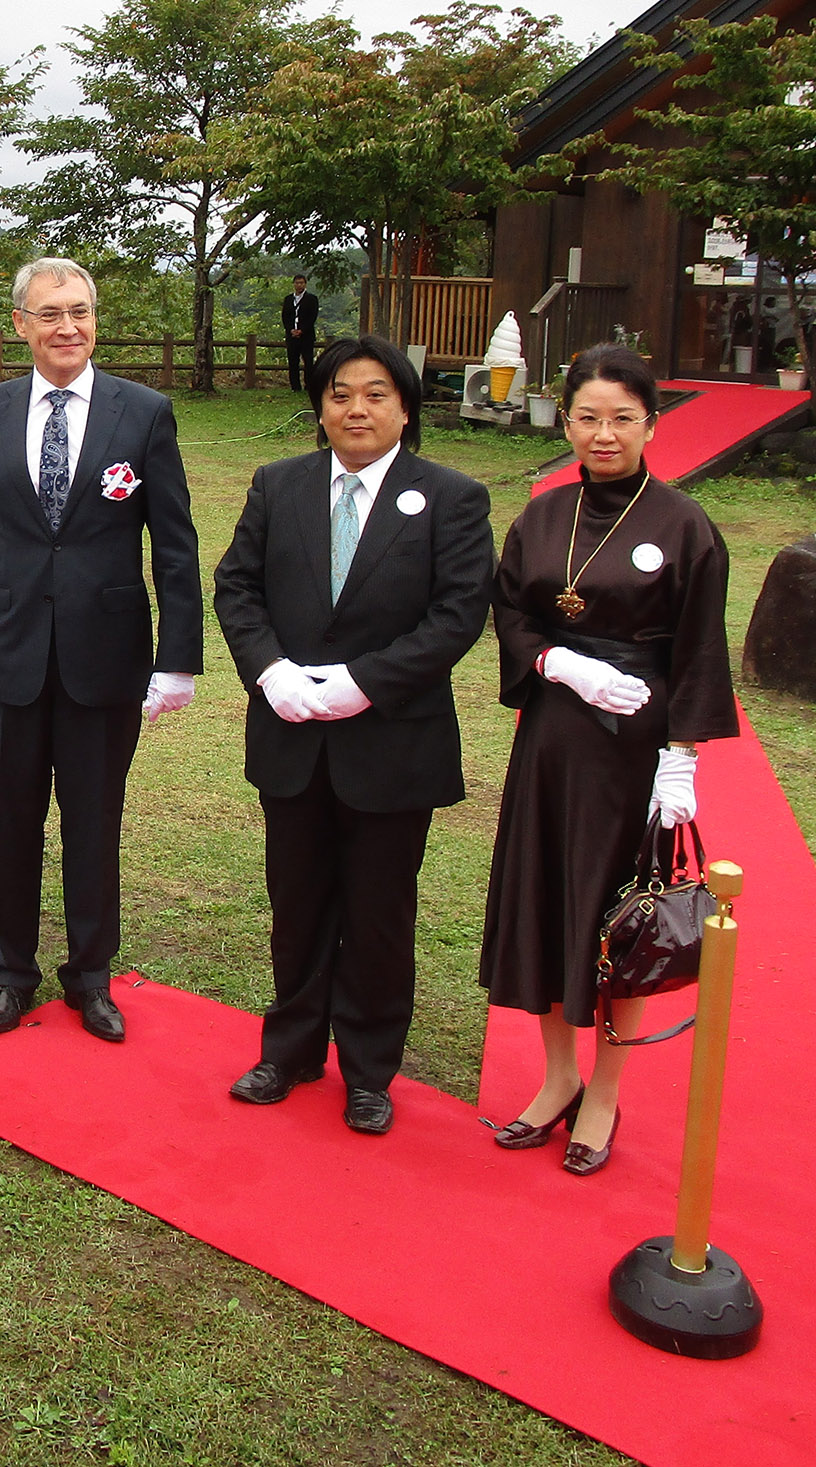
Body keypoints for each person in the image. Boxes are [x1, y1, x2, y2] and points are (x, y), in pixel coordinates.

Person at [214, 336, 494, 1133]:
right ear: (321, 405)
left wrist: (362, 682)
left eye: (376, 393)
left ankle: (370, 1068)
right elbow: (236, 587)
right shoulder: (280, 485)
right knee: (296, 904)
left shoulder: (450, 496)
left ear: (406, 407)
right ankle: (291, 1049)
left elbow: (457, 615)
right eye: (340, 393)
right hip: (293, 738)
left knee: (378, 913)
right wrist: (272, 673)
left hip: (393, 743)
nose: (357, 408)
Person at [479, 343, 736, 1176]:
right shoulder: (543, 515)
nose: (603, 433)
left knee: (614, 919)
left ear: (651, 424)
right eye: (587, 416)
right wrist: (556, 662)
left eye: (622, 418)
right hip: (554, 737)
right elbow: (511, 610)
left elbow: (699, 649)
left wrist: (681, 759)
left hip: (635, 745)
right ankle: (557, 1076)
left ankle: (605, 1089)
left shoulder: (685, 524)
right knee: (549, 899)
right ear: (568, 420)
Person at [0, 256, 204, 1043]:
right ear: (20, 324)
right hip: (8, 649)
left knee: (94, 822)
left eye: (81, 311)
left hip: (107, 656)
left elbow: (176, 547)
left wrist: (177, 657)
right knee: (9, 819)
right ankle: (9, 974)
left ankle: (91, 976)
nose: (68, 327)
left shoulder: (143, 412)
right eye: (50, 313)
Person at [282, 274, 319, 392]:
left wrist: (302, 330)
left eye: (301, 283)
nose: (299, 285)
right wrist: (290, 330)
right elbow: (285, 317)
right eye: (297, 283)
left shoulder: (312, 299)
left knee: (308, 362)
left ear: (305, 284)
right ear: (294, 284)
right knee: (293, 362)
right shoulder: (288, 299)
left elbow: (312, 317)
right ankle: (295, 387)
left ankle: (309, 385)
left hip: (306, 336)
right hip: (291, 336)